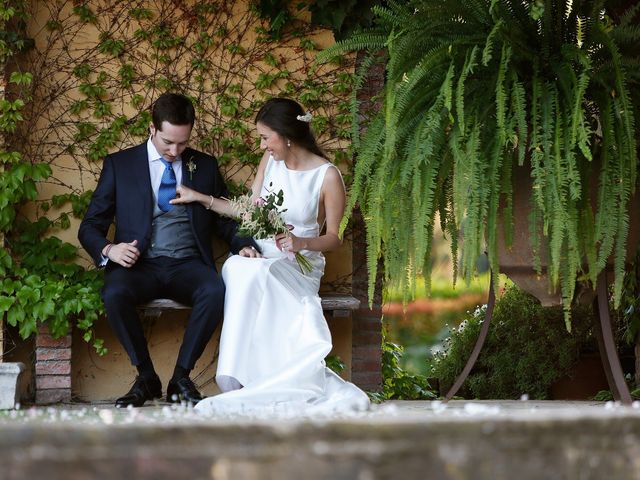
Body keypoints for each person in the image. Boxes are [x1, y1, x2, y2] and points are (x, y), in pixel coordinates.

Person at [173, 97, 370, 416]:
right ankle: (238, 378)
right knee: (238, 266)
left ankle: (267, 380)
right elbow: (249, 211)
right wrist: (200, 198)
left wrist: (299, 242)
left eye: (265, 137)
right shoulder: (271, 163)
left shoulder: (327, 176)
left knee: (259, 273)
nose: (262, 145)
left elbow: (334, 239)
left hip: (298, 263)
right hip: (263, 252)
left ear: (286, 135)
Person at [78, 92, 256, 408]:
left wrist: (243, 244)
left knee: (214, 291)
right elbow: (90, 225)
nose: (175, 151)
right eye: (168, 143)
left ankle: (180, 378)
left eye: (183, 143)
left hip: (187, 262)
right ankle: (146, 377)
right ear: (152, 129)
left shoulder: (205, 166)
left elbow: (224, 219)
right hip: (139, 265)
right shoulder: (120, 165)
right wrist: (110, 249)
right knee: (114, 293)